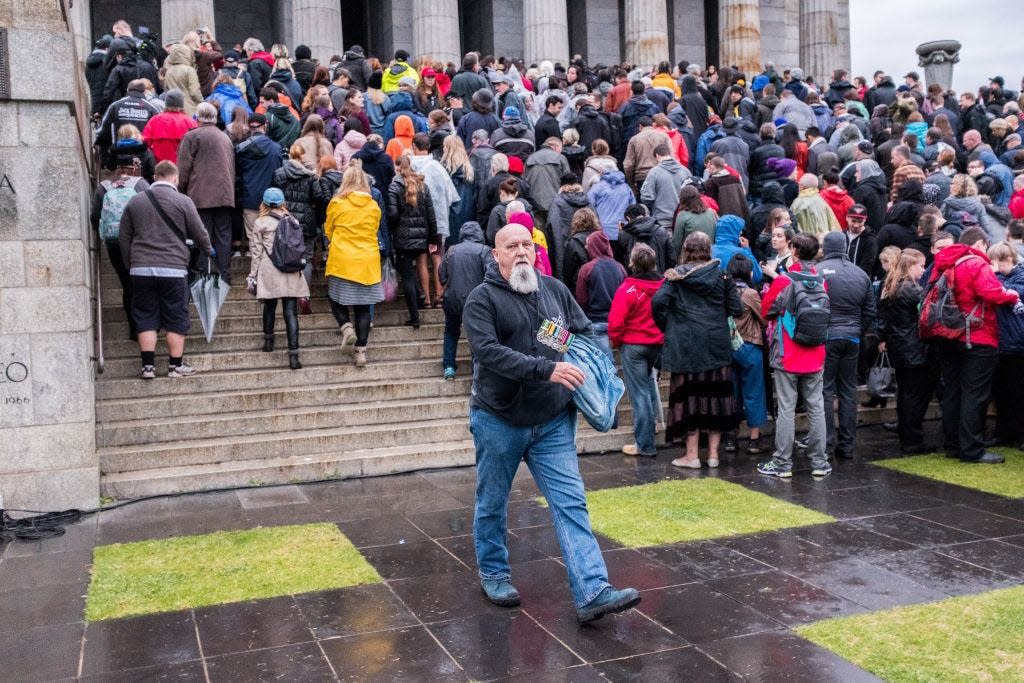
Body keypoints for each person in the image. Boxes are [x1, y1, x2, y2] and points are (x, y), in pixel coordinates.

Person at [462, 223, 641, 623]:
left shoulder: (555, 290)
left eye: (527, 244)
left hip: (552, 420)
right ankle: (494, 572)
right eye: (512, 246)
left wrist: (594, 371)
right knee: (492, 502)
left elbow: (580, 333)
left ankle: (593, 590)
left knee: (571, 502)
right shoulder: (482, 299)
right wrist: (546, 368)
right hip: (499, 418)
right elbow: (488, 353)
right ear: (497, 255)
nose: (522, 252)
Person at [927, 227, 1020, 463]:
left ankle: (952, 445)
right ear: (980, 244)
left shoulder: (944, 264)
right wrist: (1011, 295)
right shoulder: (976, 263)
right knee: (974, 393)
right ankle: (971, 449)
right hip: (977, 336)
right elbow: (992, 293)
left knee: (952, 391)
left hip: (947, 335)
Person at [652, 231, 742, 468]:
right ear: (707, 250)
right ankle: (713, 454)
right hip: (716, 344)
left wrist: (669, 325)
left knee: (689, 397)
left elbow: (658, 302)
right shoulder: (722, 276)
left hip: (686, 344)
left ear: (686, 250)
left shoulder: (675, 277)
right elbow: (737, 308)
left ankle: (691, 455)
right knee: (716, 397)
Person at [118, 160, 213, 379]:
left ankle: (148, 367)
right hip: (173, 269)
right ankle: (175, 366)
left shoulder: (135, 201)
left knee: (145, 316)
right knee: (176, 317)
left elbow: (124, 237)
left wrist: (130, 264)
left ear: (154, 177)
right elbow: (199, 233)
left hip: (141, 269)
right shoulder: (183, 201)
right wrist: (209, 251)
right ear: (175, 178)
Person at [757, 233, 831, 478]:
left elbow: (766, 309)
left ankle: (782, 463)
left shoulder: (785, 281)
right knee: (816, 407)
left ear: (795, 251)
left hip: (788, 352)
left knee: (786, 409)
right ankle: (820, 462)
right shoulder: (821, 280)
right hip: (816, 351)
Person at [818, 232, 875, 460]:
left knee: (825, 390)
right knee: (848, 391)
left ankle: (827, 443)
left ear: (825, 246)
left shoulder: (819, 271)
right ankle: (847, 445)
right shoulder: (860, 274)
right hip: (852, 337)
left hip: (828, 336)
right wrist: (857, 331)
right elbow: (870, 311)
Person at [323, 162, 385, 367]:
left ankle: (346, 328)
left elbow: (328, 229)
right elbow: (374, 229)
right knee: (363, 308)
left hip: (342, 260)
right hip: (367, 262)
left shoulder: (337, 203)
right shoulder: (373, 206)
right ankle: (361, 353)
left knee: (334, 299)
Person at [608, 244, 665, 457]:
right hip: (658, 344)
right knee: (648, 385)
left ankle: (645, 444)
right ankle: (651, 430)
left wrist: (616, 342)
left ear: (633, 263)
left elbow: (615, 322)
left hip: (634, 346)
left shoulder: (627, 289)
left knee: (639, 393)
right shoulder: (664, 286)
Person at [877, 248, 934, 453]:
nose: (923, 269)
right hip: (913, 348)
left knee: (905, 394)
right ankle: (913, 441)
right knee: (913, 395)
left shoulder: (892, 286)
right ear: (910, 266)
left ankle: (907, 435)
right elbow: (927, 315)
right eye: (920, 265)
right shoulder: (912, 290)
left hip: (899, 347)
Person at [246, 188, 309, 369]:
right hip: (290, 268)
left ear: (264, 203)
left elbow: (256, 252)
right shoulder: (293, 220)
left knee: (270, 306)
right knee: (291, 312)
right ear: (283, 203)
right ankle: (294, 356)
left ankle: (268, 341)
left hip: (270, 268)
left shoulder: (260, 223)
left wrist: (252, 275)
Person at [410, 133, 461, 302]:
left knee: (421, 259)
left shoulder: (409, 166)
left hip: (415, 222)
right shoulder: (437, 167)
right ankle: (439, 294)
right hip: (438, 222)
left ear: (414, 147)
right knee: (437, 256)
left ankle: (426, 298)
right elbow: (452, 195)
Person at [727, 253, 769, 454]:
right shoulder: (750, 293)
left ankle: (731, 438)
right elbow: (763, 319)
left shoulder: (723, 291)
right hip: (750, 346)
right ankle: (754, 439)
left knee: (732, 393)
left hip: (728, 347)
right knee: (753, 392)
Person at [440, 221, 493, 379]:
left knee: (451, 331)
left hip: (452, 300)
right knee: (476, 335)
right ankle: (476, 370)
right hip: (476, 301)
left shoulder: (451, 251)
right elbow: (491, 275)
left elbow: (442, 275)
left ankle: (449, 366)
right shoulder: (485, 251)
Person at [389, 154, 438, 325]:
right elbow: (431, 215)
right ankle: (421, 296)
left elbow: (393, 215)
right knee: (419, 269)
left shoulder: (394, 187)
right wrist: (433, 238)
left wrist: (392, 227)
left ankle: (415, 316)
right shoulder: (422, 185)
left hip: (403, 240)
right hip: (422, 239)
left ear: (397, 168)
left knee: (407, 276)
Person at [272, 142, 321, 302]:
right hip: (306, 220)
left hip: (284, 219)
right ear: (302, 156)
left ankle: (286, 293)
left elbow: (275, 194)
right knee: (305, 257)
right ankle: (303, 295)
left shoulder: (279, 173)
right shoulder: (310, 175)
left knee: (284, 254)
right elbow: (318, 196)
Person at [989, 242, 1024, 448]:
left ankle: (1019, 434)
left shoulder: (1018, 278)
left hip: (1017, 344)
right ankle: (1003, 433)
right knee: (1001, 392)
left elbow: (1012, 292)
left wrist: (995, 280)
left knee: (1018, 392)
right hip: (1000, 343)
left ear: (1008, 260)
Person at [574, 231, 626, 359]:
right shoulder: (620, 268)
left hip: (596, 322)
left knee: (605, 364)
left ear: (594, 246)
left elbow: (581, 299)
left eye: (588, 244)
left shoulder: (587, 269)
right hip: (618, 324)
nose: (586, 247)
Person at [640, 143, 691, 230]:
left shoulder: (654, 172)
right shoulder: (685, 171)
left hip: (661, 220)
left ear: (657, 156)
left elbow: (647, 197)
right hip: (683, 220)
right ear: (669, 154)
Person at [141, 90, 197, 164]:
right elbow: (195, 145)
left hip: (158, 165)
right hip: (181, 166)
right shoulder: (190, 122)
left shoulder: (155, 119)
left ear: (166, 103)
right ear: (181, 104)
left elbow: (145, 140)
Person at [588, 168, 635, 240]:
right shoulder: (626, 188)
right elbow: (633, 208)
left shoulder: (597, 187)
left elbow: (588, 207)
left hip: (602, 230)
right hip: (622, 229)